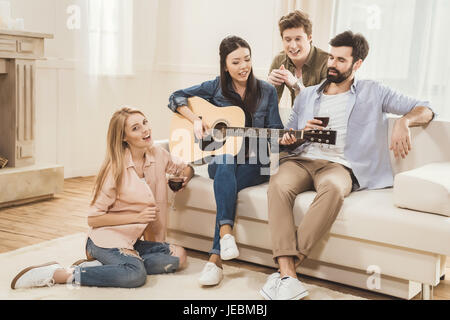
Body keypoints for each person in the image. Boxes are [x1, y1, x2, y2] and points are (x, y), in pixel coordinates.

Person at [260, 30, 435, 300]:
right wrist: (297, 134)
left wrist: (403, 122)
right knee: (278, 185)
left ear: (357, 64)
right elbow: (288, 139)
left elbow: (425, 107)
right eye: (331, 57)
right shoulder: (307, 96)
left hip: (340, 167)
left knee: (332, 189)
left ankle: (287, 271)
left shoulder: (373, 91)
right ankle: (288, 274)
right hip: (303, 159)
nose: (332, 64)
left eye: (341, 60)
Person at [11, 107, 194, 289]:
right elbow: (93, 218)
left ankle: (105, 266)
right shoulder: (114, 170)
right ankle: (61, 274)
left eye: (145, 123)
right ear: (124, 137)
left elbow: (184, 167)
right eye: (136, 128)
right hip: (106, 240)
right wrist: (136, 218)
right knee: (135, 275)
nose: (145, 129)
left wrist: (185, 177)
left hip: (132, 241)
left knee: (178, 256)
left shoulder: (158, 154)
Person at [168, 35, 283, 286]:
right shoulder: (214, 88)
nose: (244, 66)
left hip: (257, 163)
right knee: (225, 157)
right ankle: (224, 239)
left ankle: (216, 255)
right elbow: (175, 97)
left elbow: (276, 129)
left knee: (225, 168)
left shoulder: (267, 91)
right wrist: (195, 120)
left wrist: (283, 140)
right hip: (223, 161)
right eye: (236, 62)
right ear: (225, 65)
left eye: (247, 59)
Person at [268, 10, 329, 106]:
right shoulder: (279, 60)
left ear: (309, 38)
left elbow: (323, 104)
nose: (293, 46)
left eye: (298, 39)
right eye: (287, 40)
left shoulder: (327, 61)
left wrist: (296, 85)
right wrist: (269, 87)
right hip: (295, 118)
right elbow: (270, 107)